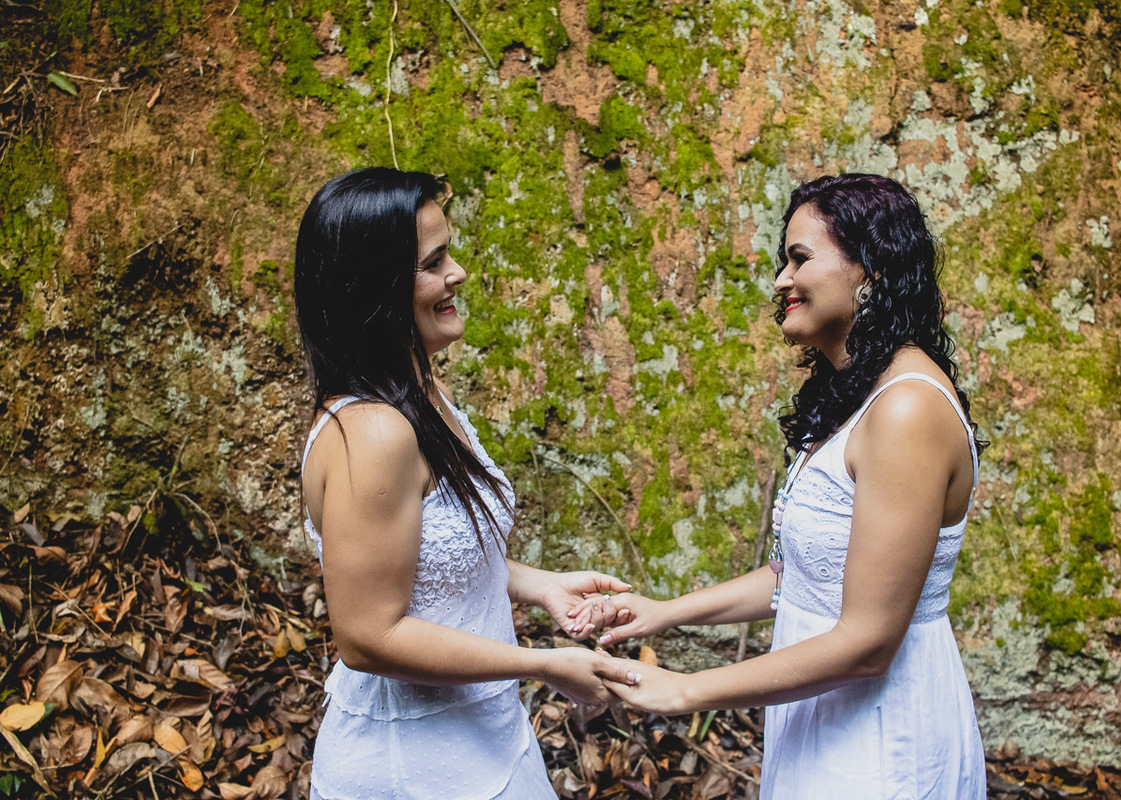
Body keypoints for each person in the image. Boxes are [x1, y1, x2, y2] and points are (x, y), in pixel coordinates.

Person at [593, 173, 988, 799]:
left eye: (799, 259)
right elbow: (803, 577)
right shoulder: (856, 395)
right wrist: (663, 614)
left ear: (872, 270)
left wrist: (687, 690)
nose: (781, 281)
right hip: (818, 715)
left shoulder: (907, 410)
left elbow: (868, 643)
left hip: (880, 738)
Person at [293, 167, 634, 800]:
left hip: (481, 732)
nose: (458, 274)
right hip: (414, 762)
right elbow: (368, 635)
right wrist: (545, 665)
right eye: (433, 261)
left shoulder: (420, 392)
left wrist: (540, 586)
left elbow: (429, 563)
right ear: (374, 287)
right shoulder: (372, 433)